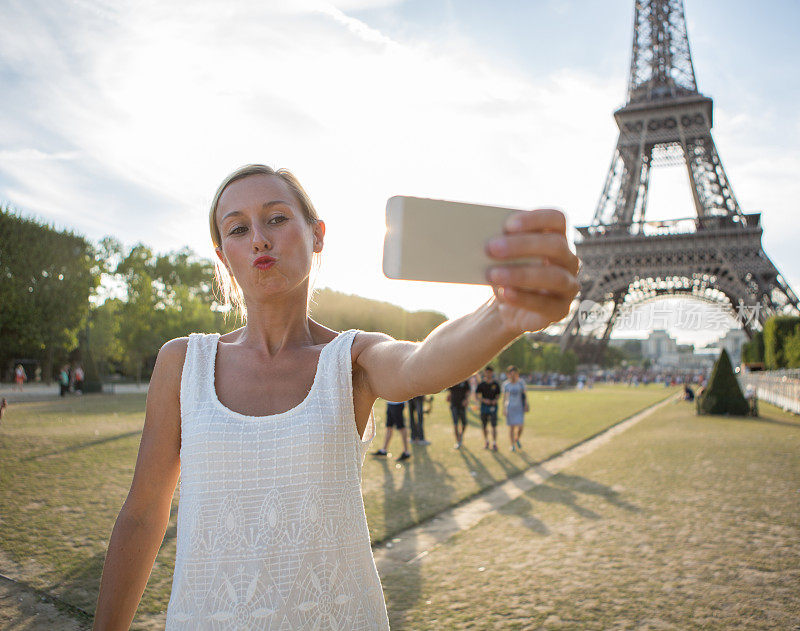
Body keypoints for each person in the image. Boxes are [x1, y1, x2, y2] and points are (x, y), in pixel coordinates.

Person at [91, 164, 580, 630]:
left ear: (317, 234)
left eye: (277, 218)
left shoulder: (350, 358)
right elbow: (142, 513)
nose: (259, 237)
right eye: (237, 229)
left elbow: (420, 364)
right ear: (223, 255)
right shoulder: (182, 363)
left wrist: (503, 314)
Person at [502, 365, 528, 451]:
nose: (513, 376)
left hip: (519, 408)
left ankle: (517, 439)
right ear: (508, 375)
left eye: (514, 374)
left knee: (520, 427)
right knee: (512, 428)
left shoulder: (521, 383)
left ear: (517, 374)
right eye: (511, 374)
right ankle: (512, 445)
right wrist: (504, 409)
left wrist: (526, 404)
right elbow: (505, 398)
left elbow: (524, 395)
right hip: (510, 408)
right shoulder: (506, 385)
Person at [476, 366, 501, 451]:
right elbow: (477, 395)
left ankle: (494, 443)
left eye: (490, 372)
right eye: (487, 372)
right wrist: (484, 400)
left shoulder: (496, 384)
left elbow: (498, 395)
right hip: (484, 407)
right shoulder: (481, 384)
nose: (488, 374)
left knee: (493, 426)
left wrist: (495, 400)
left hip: (493, 407)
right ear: (485, 373)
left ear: (492, 373)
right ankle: (486, 441)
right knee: (484, 426)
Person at [447, 379, 470, 449]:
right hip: (454, 405)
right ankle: (458, 441)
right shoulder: (452, 380)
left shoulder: (465, 380)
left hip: (462, 405)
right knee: (455, 424)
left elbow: (468, 391)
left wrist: (466, 400)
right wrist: (448, 397)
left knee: (464, 424)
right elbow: (449, 391)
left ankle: (461, 435)